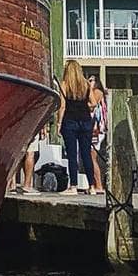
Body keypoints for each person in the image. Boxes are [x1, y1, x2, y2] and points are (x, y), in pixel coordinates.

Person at [56, 59, 94, 194]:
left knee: (72, 154)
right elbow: (93, 103)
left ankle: (73, 185)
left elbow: (62, 106)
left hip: (70, 121)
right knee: (86, 154)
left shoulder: (65, 84)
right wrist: (86, 107)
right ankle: (92, 186)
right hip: (85, 121)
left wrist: (59, 123)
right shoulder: (86, 84)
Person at [88, 73, 108, 194]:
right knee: (90, 157)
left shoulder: (97, 92)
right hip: (93, 128)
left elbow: (92, 104)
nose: (88, 82)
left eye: (91, 81)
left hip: (96, 130)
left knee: (92, 157)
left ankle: (99, 185)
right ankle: (94, 184)